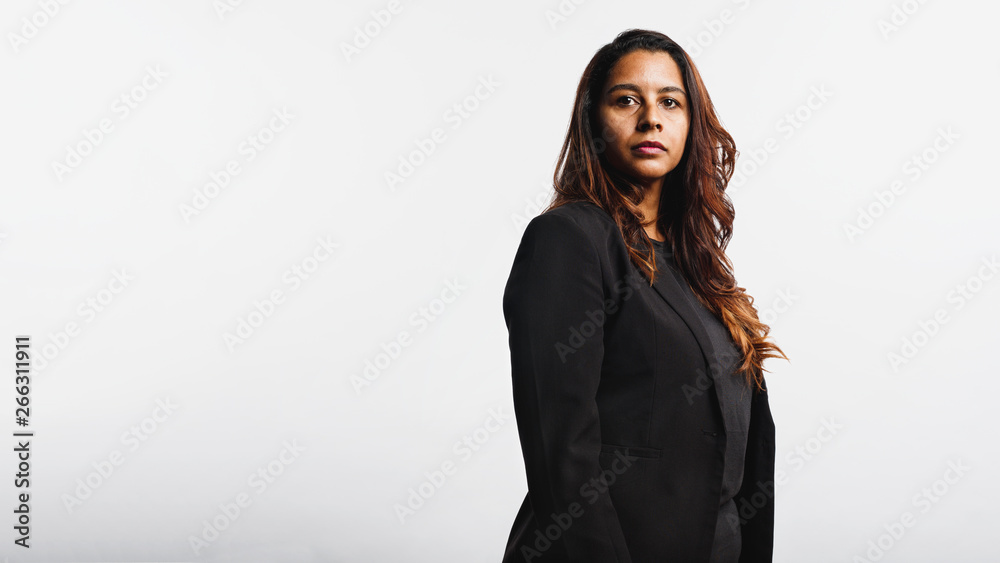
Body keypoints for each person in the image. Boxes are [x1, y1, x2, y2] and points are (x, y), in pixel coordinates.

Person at [500, 29, 789, 563]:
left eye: (670, 102)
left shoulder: (699, 267)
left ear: (689, 123)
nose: (650, 118)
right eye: (626, 99)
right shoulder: (569, 240)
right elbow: (561, 452)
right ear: (593, 121)